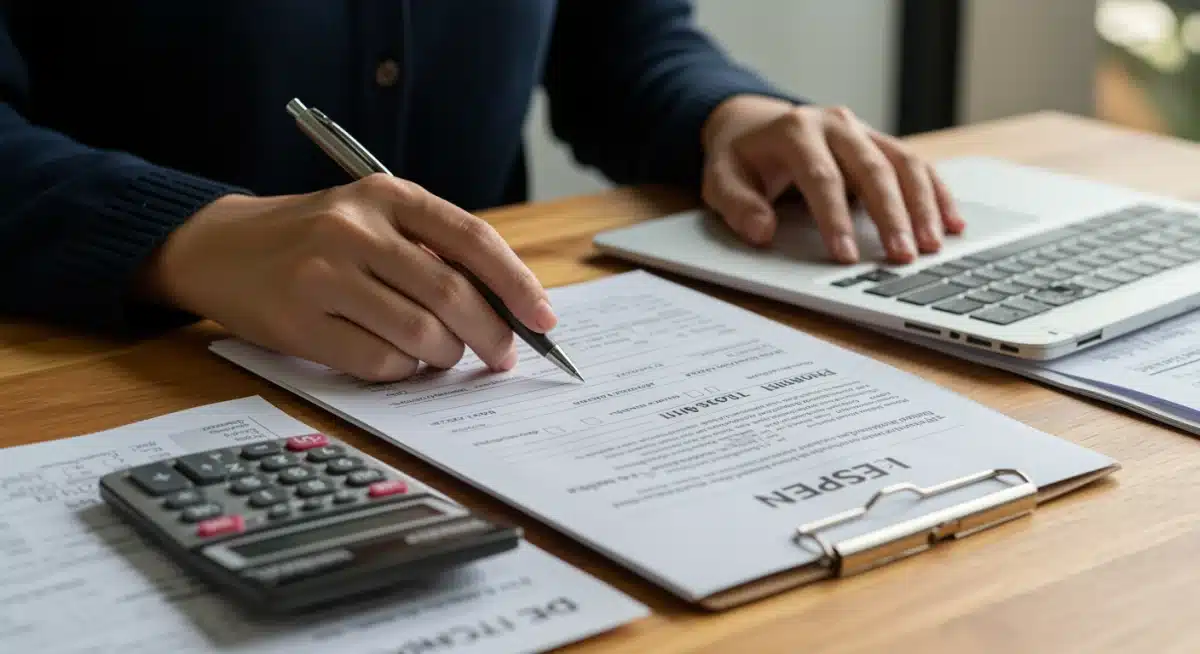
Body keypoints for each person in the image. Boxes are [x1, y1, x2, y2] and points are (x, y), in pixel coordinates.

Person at [0, 2, 963, 382]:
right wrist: (191, 236)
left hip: (453, 393)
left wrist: (727, 115)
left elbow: (620, 42)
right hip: (111, 375)